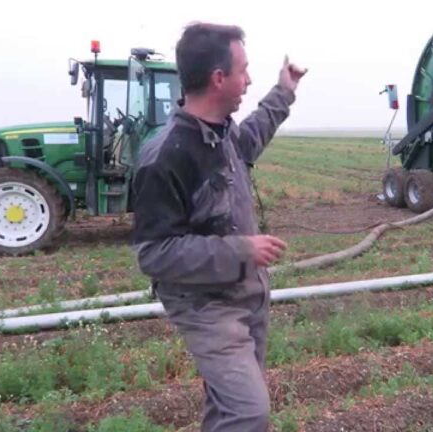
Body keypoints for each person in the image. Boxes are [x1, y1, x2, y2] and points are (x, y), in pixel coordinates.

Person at [131, 23, 307, 431]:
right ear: (218, 79)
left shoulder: (221, 133)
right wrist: (241, 251)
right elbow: (153, 252)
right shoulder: (166, 155)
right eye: (243, 70)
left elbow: (252, 137)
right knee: (248, 411)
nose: (248, 80)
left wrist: (285, 91)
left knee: (227, 409)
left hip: (247, 295)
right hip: (206, 306)